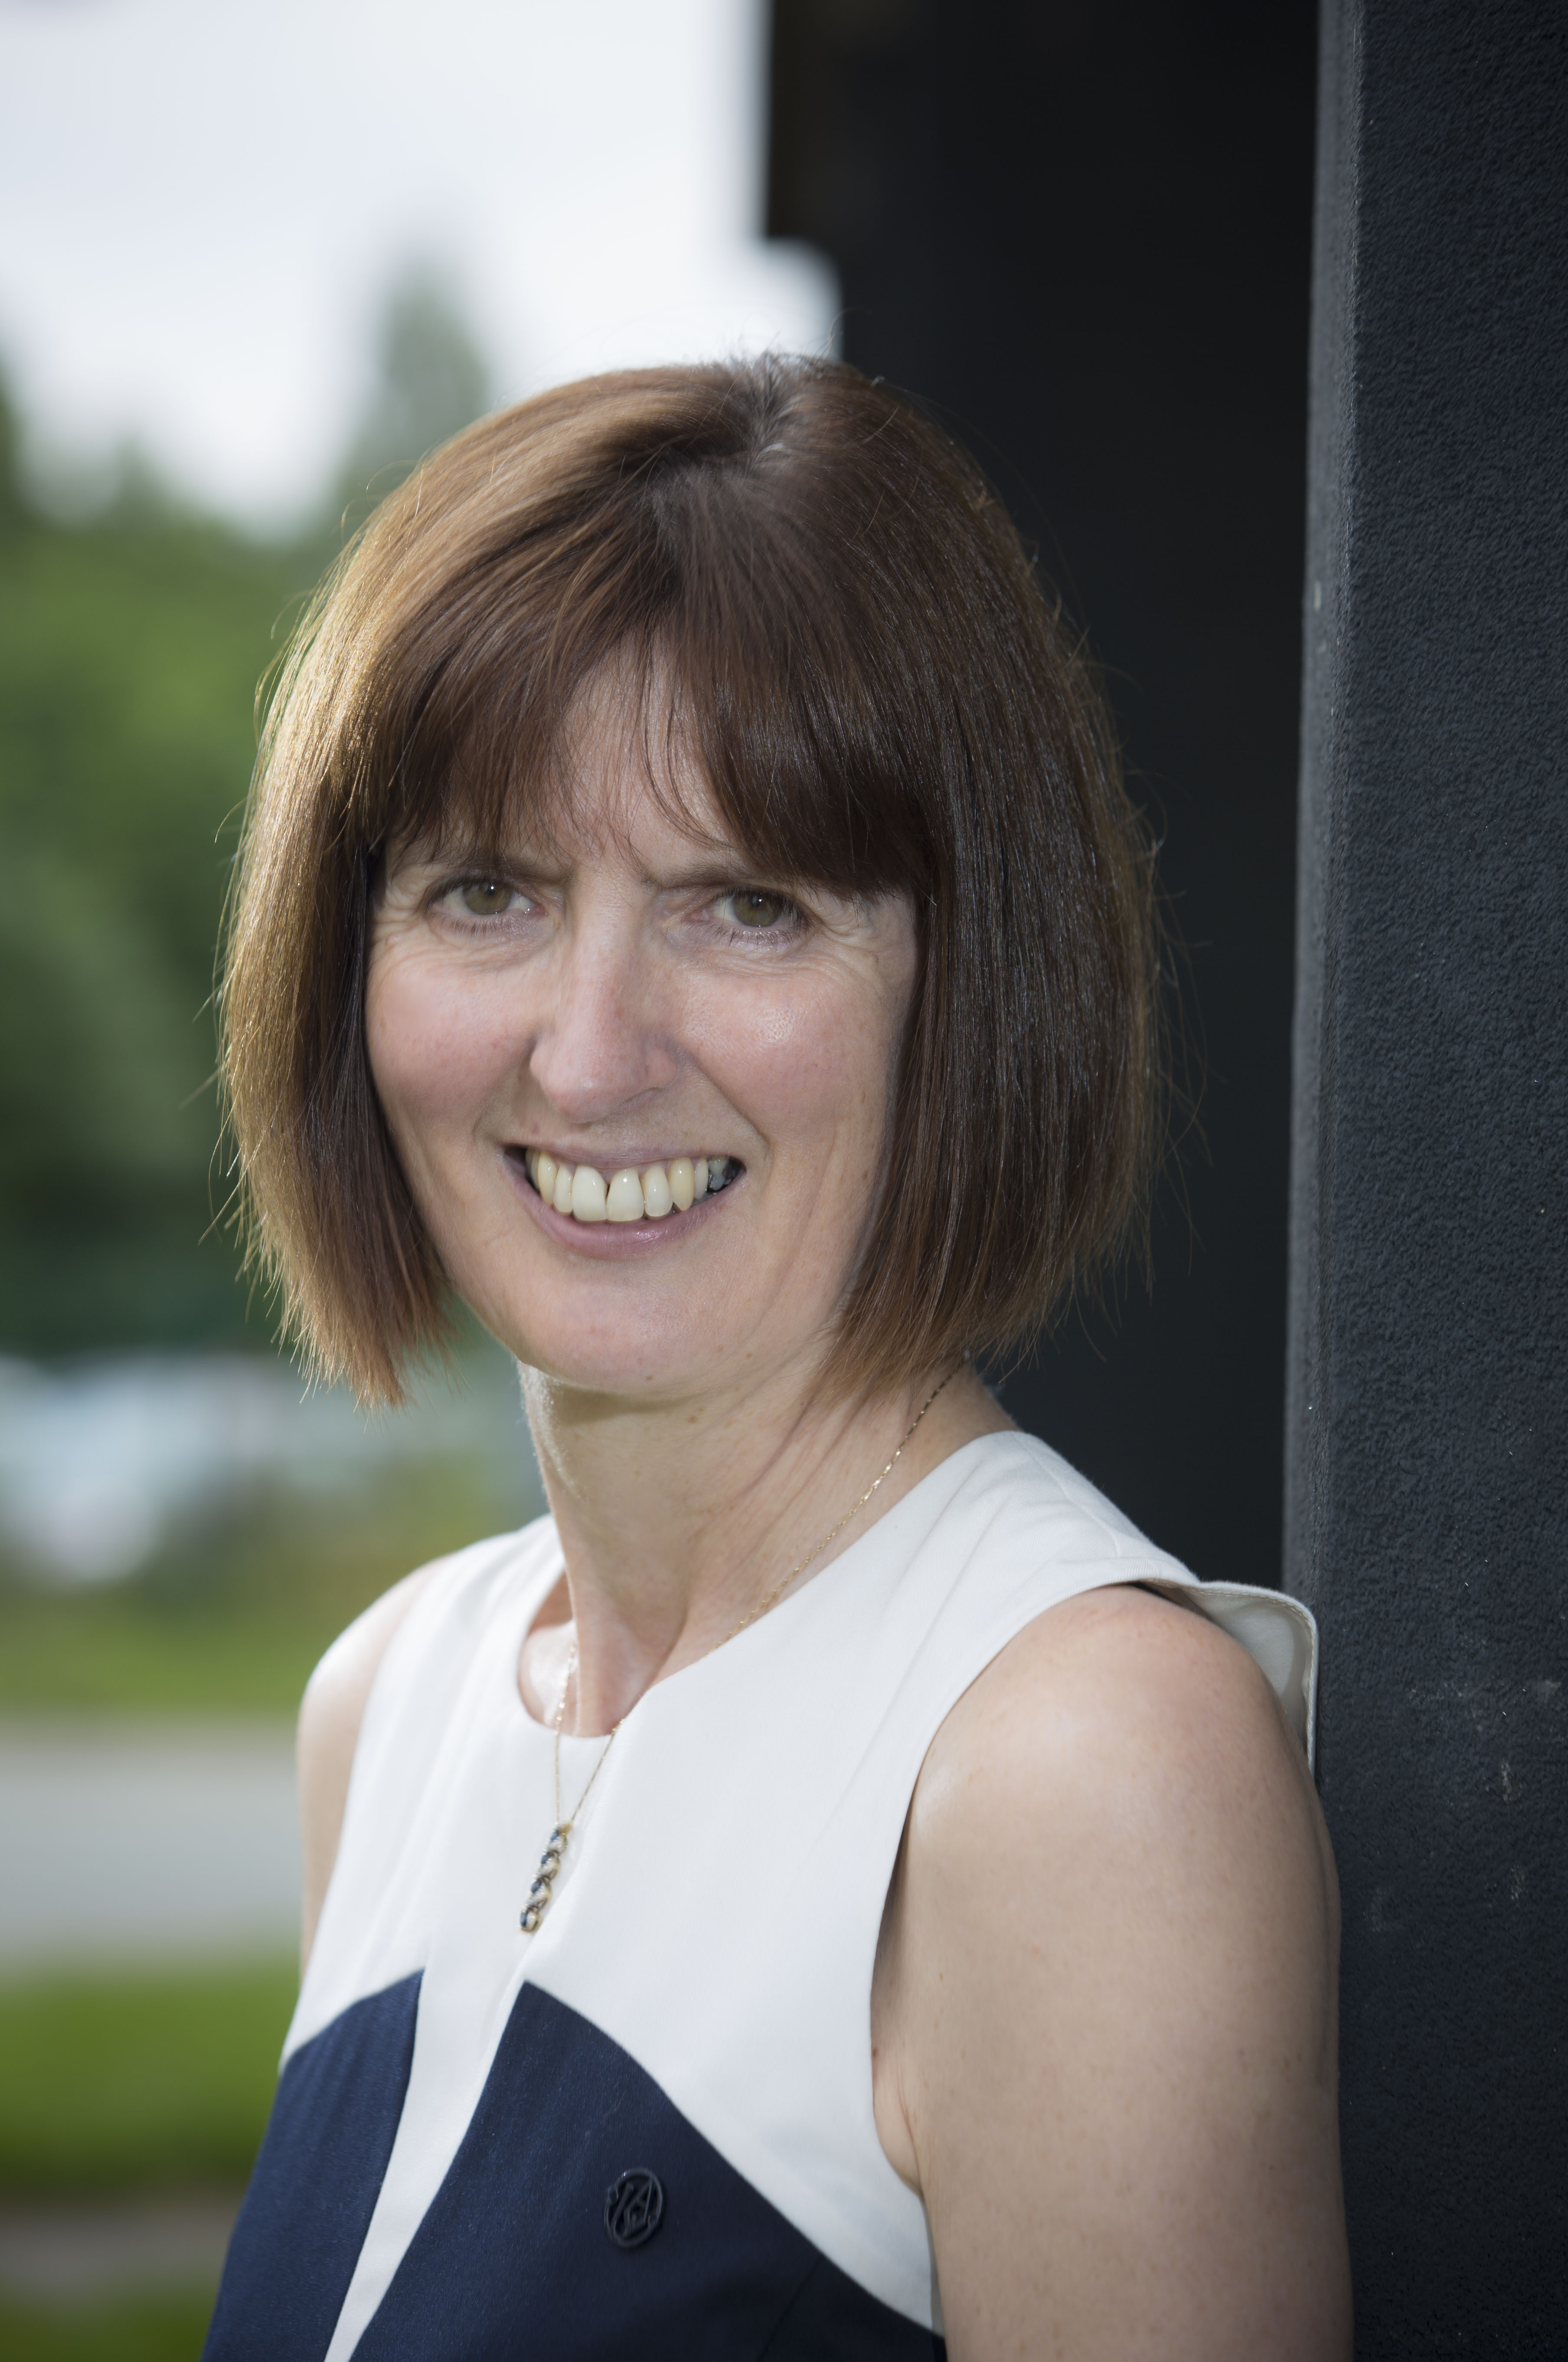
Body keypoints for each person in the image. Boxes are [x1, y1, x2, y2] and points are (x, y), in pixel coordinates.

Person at [205, 357, 1349, 2361]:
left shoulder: (1083, 1771)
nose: (589, 1055)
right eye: (489, 890)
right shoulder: (386, 1703)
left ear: (969, 984)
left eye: (746, 905)